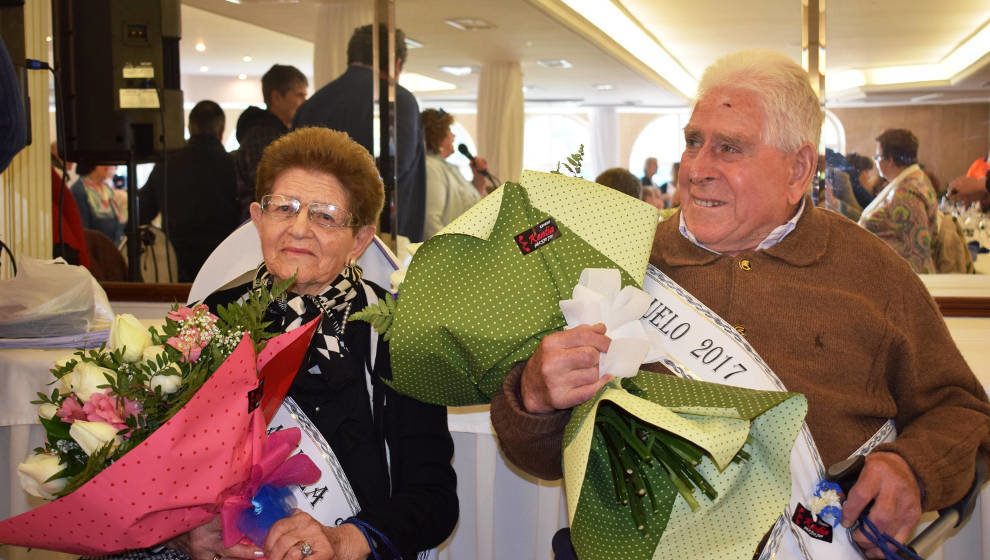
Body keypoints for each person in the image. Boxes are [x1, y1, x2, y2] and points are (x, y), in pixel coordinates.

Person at [490, 50, 989, 560]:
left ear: (799, 168)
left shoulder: (873, 271)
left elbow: (960, 408)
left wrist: (913, 467)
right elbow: (538, 453)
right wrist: (534, 395)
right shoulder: (618, 258)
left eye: (729, 148)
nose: (696, 169)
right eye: (692, 142)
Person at [159, 127, 456, 560]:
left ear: (360, 240)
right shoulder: (209, 320)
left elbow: (434, 500)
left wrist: (343, 542)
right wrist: (187, 535)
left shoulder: (398, 331)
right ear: (258, 219)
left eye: (324, 216)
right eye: (285, 208)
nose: (298, 229)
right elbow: (164, 471)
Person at [293, 25, 427, 243]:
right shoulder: (399, 101)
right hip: (380, 238)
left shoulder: (312, 105)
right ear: (397, 63)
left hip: (313, 232)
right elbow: (396, 168)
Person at [139, 100, 241, 282]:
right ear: (221, 130)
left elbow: (141, 216)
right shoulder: (233, 165)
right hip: (224, 262)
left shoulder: (166, 165)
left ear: (190, 127)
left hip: (176, 264)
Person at [233, 64, 308, 222]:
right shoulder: (262, 137)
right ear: (277, 97)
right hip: (260, 226)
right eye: (299, 95)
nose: (304, 102)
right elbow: (273, 191)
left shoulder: (275, 134)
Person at [858, 129, 939, 273]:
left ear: (891, 160)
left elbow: (918, 255)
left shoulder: (907, 194)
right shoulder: (914, 180)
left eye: (878, 156)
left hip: (895, 281)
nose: (876, 162)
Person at [420, 108, 489, 238]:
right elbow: (431, 220)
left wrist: (479, 180)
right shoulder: (431, 168)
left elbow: (469, 206)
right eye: (449, 131)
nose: (453, 136)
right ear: (439, 135)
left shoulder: (447, 167)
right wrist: (448, 254)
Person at [70, 157, 124, 244]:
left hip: (113, 246)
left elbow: (118, 219)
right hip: (96, 249)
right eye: (103, 163)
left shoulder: (107, 189)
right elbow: (84, 230)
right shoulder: (79, 191)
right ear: (91, 164)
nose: (109, 166)